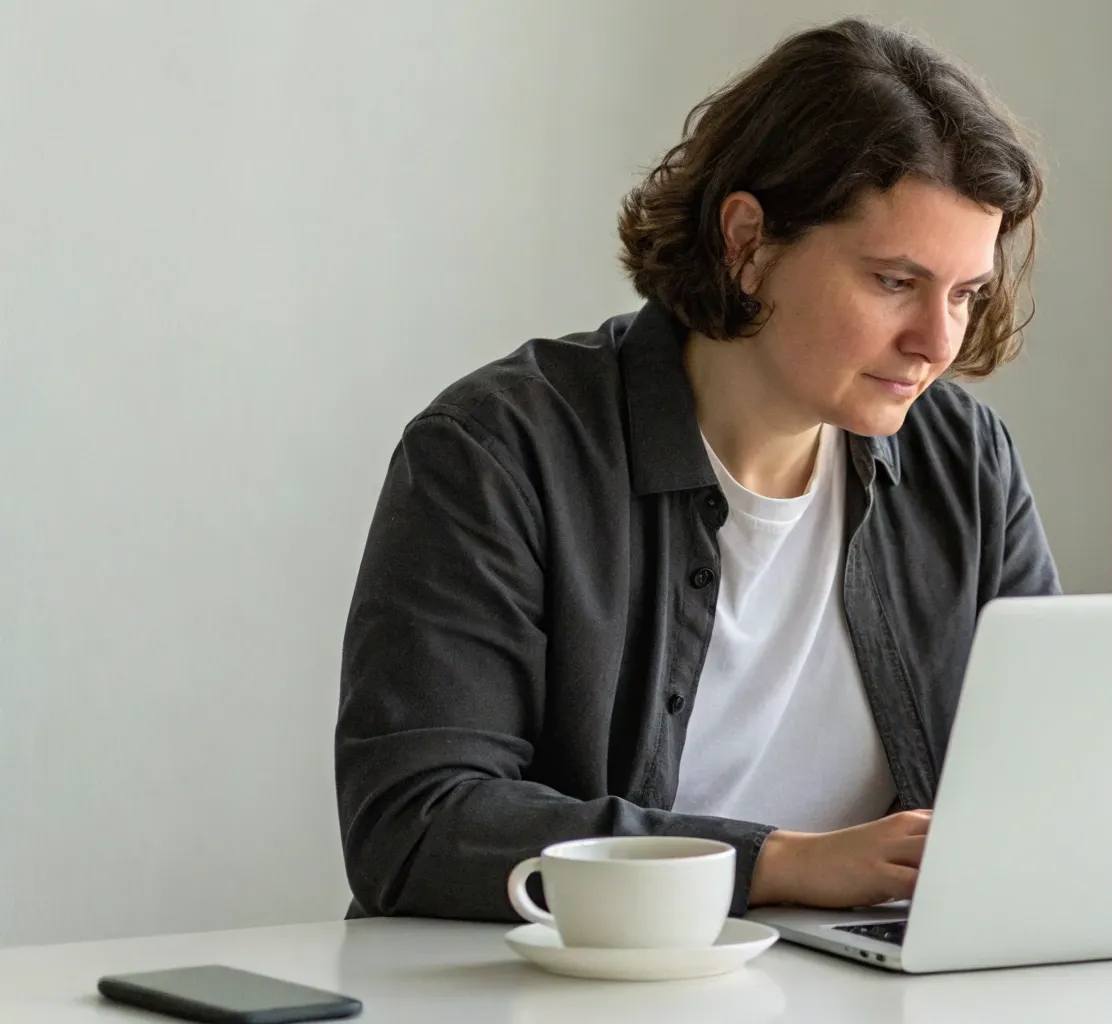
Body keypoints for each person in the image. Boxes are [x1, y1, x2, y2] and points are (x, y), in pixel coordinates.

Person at [333, 17, 1058, 922]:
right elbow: (413, 824)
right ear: (748, 242)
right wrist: (779, 863)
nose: (937, 342)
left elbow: (1048, 784)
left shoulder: (966, 462)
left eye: (965, 293)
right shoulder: (498, 452)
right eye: (894, 282)